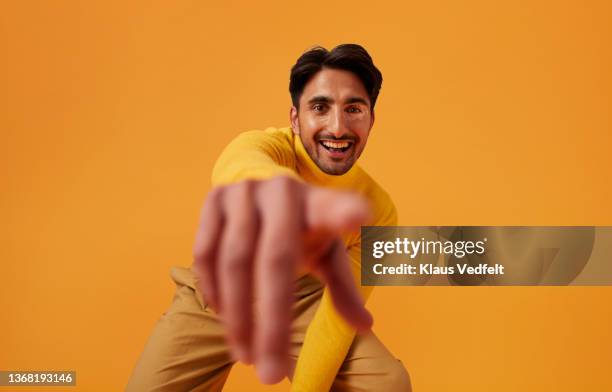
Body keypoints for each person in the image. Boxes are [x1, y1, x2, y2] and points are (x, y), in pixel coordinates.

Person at [126, 44, 412, 391]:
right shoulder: (266, 147)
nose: (338, 128)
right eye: (320, 108)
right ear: (295, 118)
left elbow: (336, 319)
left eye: (354, 109)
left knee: (387, 383)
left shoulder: (378, 212)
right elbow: (237, 169)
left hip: (300, 302)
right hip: (215, 295)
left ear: (371, 119)